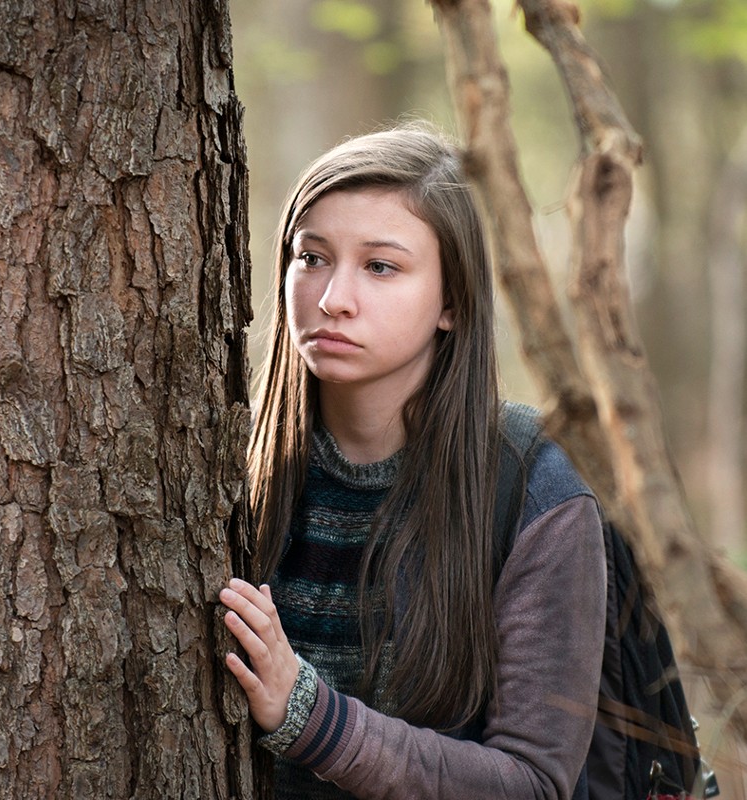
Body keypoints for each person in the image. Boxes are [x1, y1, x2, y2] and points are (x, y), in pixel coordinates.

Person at [219, 123, 607, 800]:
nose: (333, 297)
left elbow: (533, 782)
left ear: (451, 302)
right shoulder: (228, 465)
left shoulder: (535, 489)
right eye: (311, 258)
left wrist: (312, 718)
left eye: (380, 266)